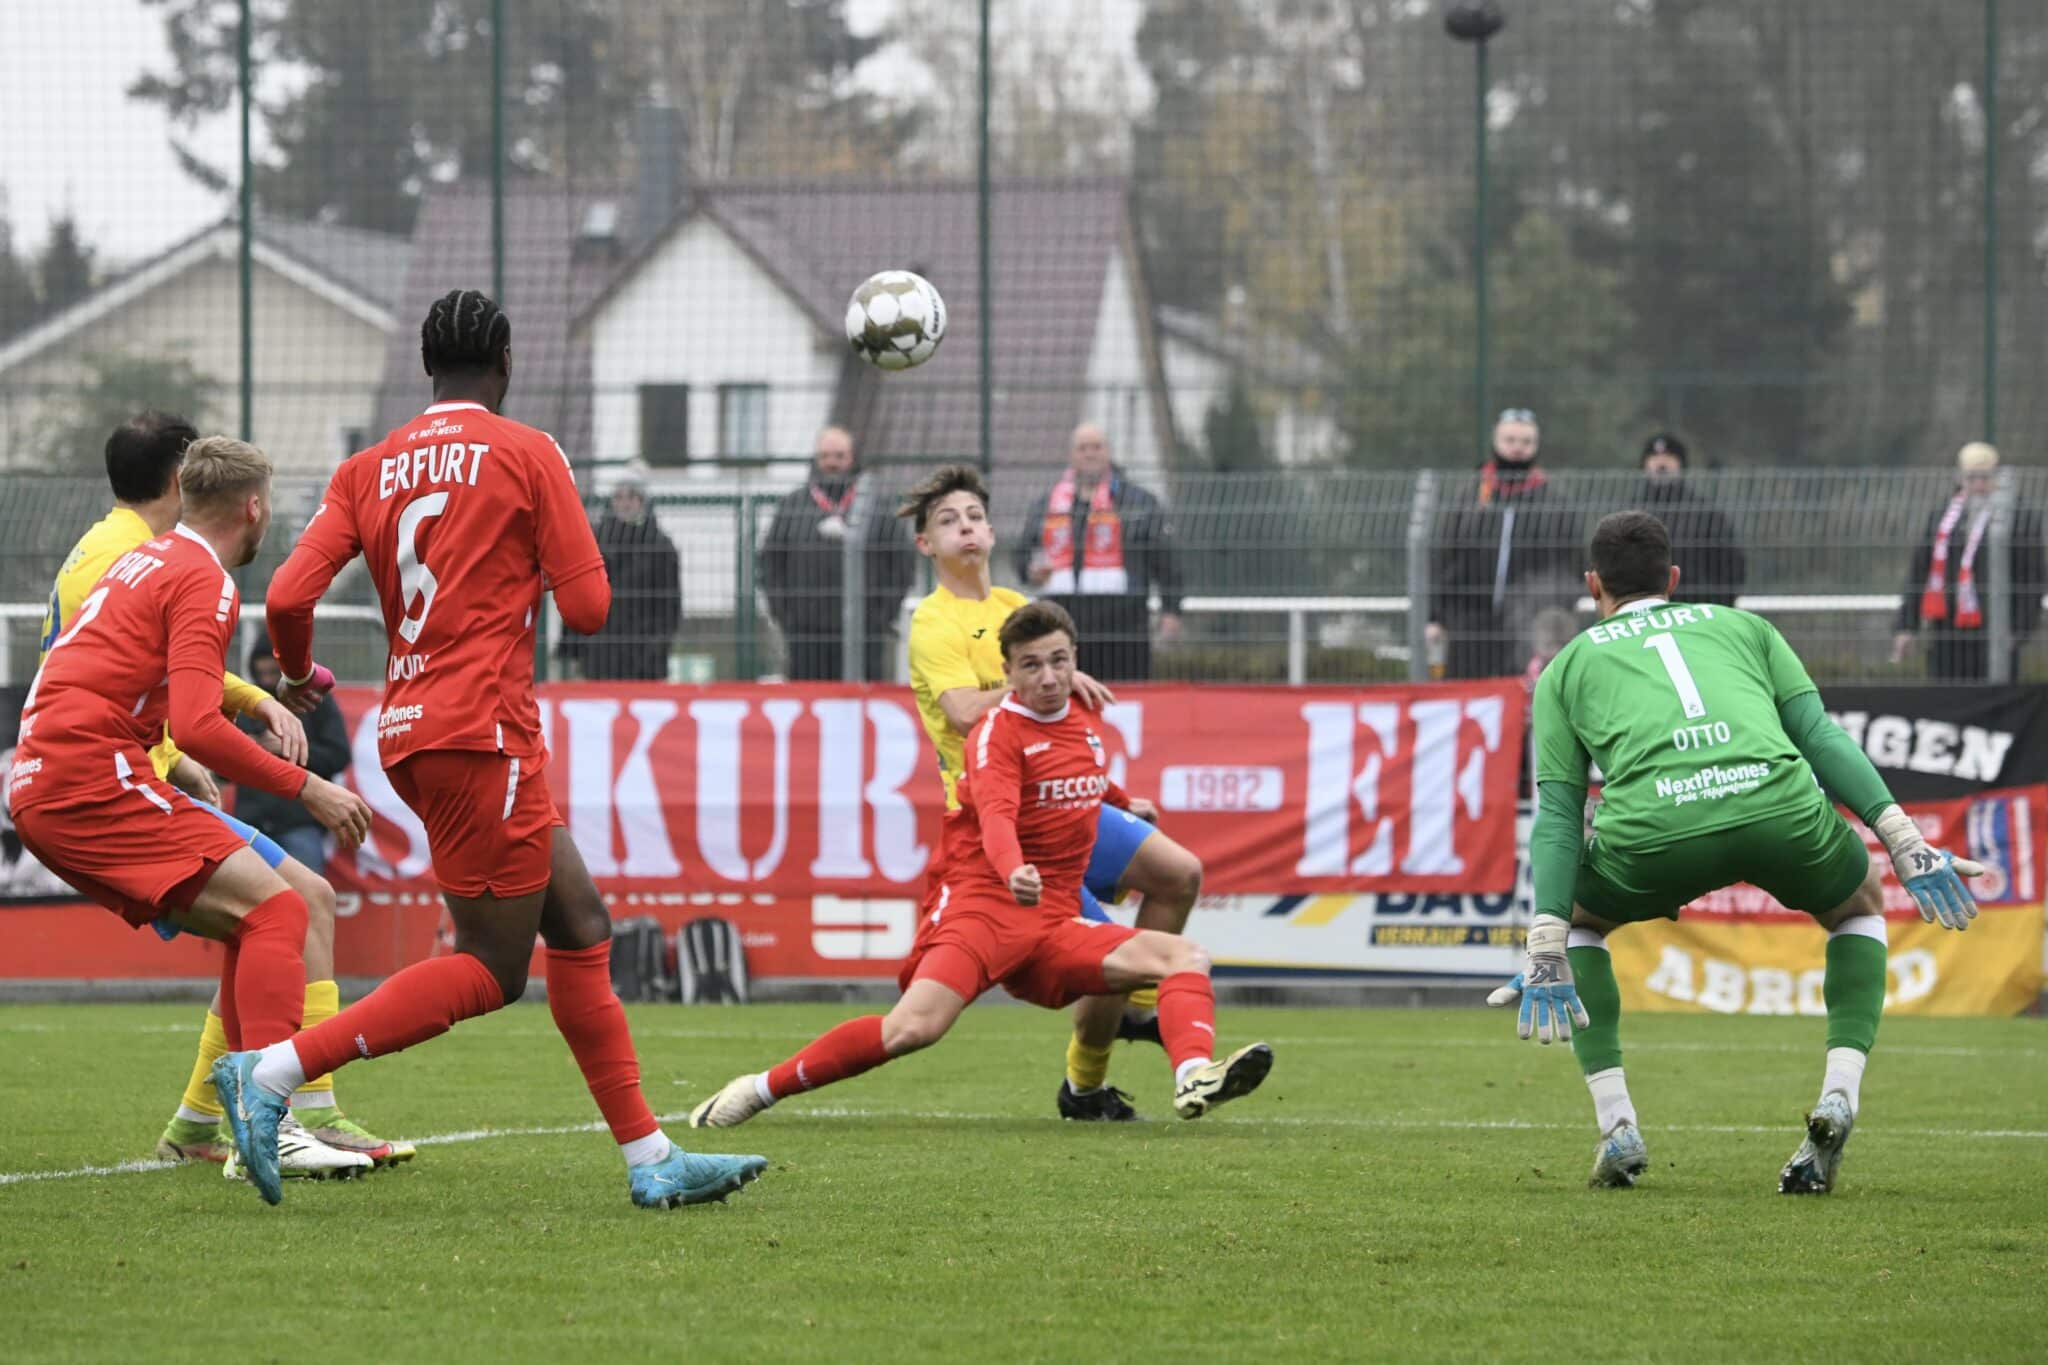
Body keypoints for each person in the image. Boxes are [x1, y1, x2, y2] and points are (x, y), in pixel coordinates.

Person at [209, 288, 765, 1209]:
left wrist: (300, 672)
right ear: (504, 363)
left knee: (581, 923)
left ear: (429, 366)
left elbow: (292, 599)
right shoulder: (528, 450)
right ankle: (271, 1073)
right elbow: (589, 609)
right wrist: (532, 557)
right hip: (483, 732)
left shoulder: (368, 467)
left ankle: (650, 1156)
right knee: (491, 969)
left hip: (414, 729)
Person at [1489, 510, 1985, 1194]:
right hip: (1777, 807)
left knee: (1578, 923)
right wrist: (1900, 836)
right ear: (1674, 578)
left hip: (1655, 834)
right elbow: (1819, 735)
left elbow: (1557, 814)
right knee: (1859, 905)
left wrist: (1544, 934)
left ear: (1592, 585)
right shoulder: (1745, 627)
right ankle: (1840, 1093)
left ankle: (1617, 1125)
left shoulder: (1565, 667)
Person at [686, 601, 1271, 1129]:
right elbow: (995, 813)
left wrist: (1121, 803)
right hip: (982, 908)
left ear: (1076, 662)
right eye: (1032, 665)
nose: (1048, 677)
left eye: (1059, 662)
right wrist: (1013, 867)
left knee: (1186, 956)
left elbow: (1082, 773)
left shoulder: (1082, 722)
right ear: (1009, 673)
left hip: (1051, 918)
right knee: (914, 1028)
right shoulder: (995, 732)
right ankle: (759, 1089)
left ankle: (1192, 1075)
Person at [8, 437, 382, 1190]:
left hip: (52, 774)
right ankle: (274, 1115)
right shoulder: (204, 579)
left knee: (267, 914)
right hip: (93, 775)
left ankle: (217, 1125)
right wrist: (307, 787)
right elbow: (201, 720)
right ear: (254, 507)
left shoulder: (139, 558)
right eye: (269, 507)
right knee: (282, 914)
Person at [899, 464, 1207, 1122]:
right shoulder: (933, 621)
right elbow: (960, 711)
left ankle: (1132, 1020)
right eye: (948, 520)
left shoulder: (1012, 607)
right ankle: (1089, 1080)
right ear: (925, 543)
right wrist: (1037, 681)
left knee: (1179, 874)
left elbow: (1047, 679)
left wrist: (1069, 676)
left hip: (1070, 801)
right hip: (1000, 821)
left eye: (974, 516)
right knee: (1104, 957)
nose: (966, 527)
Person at [1015, 424, 1182, 683]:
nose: (1089, 454)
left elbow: (1166, 562)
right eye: (1082, 448)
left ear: (1108, 452)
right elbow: (1023, 556)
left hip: (1125, 627)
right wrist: (1031, 570)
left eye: (1096, 447)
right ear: (1071, 455)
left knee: (1124, 700)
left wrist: (1171, 610)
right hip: (1064, 628)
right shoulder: (1046, 506)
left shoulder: (1140, 503)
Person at [1427, 408, 1582, 679]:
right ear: (1496, 441)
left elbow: (1570, 565)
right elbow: (1446, 557)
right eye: (1510, 440)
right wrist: (1437, 616)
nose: (1517, 449)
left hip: (1529, 625)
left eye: (1526, 442)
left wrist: (1558, 615)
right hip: (1470, 622)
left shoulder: (1554, 501)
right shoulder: (1470, 495)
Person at [759, 425, 917, 681]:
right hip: (806, 638)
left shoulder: (877, 507)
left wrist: (881, 616)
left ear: (852, 459)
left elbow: (901, 563)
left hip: (865, 635)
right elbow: (770, 564)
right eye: (825, 456)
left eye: (839, 456)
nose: (832, 463)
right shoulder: (792, 507)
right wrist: (787, 616)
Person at [1891, 441, 2044, 681]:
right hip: (1947, 633)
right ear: (1960, 478)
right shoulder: (1944, 517)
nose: (1979, 485)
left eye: (1985, 477)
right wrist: (1906, 627)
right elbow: (1920, 573)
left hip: (1995, 635)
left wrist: (2019, 631)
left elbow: (2032, 579)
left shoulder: (2018, 518)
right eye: (1972, 478)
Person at [235, 645, 351, 879]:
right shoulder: (245, 704)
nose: (267, 680)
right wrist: (243, 750)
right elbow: (221, 770)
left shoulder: (315, 701)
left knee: (307, 899)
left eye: (272, 674)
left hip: (299, 823)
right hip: (252, 824)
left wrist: (290, 747)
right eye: (261, 674)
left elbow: (338, 755)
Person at [560, 470, 680, 681]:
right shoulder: (594, 541)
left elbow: (670, 605)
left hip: (644, 658)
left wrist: (658, 647)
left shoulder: (661, 546)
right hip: (600, 653)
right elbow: (578, 593)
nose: (625, 503)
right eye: (619, 497)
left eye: (632, 496)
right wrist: (575, 648)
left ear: (643, 502)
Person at [1635, 432, 1745, 608]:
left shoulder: (1705, 513)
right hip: (1646, 612)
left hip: (1697, 608)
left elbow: (1730, 563)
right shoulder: (1632, 514)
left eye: (1669, 457)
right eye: (1654, 457)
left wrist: (1717, 607)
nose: (1661, 464)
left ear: (1681, 464)